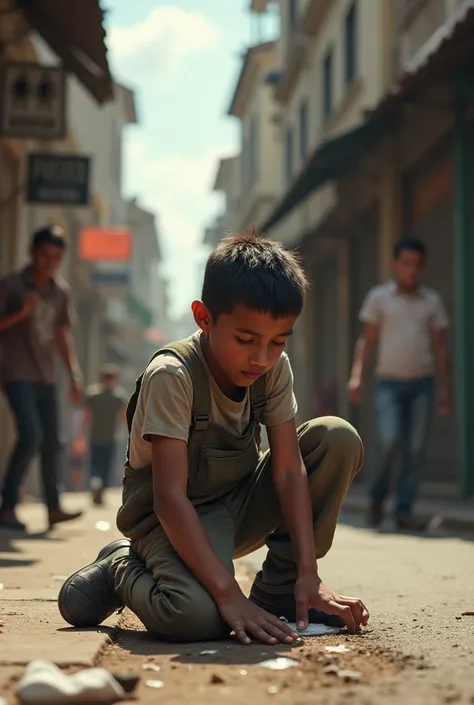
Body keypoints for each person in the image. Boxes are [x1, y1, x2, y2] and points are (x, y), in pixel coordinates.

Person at [58, 230, 369, 645]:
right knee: (195, 619)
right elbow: (169, 498)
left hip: (237, 504)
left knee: (336, 437)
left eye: (277, 341)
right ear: (204, 317)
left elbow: (290, 469)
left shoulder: (273, 368)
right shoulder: (173, 376)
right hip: (168, 518)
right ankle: (121, 566)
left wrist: (309, 574)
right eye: (246, 340)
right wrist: (228, 594)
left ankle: (281, 589)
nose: (262, 357)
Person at [348, 237, 451, 532]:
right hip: (389, 386)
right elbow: (366, 341)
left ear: (424, 267)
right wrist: (357, 375)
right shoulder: (380, 298)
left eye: (417, 265)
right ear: (395, 264)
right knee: (389, 442)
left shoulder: (432, 302)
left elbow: (441, 348)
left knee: (416, 448)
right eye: (406, 264)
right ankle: (377, 499)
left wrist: (444, 389)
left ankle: (404, 510)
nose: (412, 270)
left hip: (423, 385)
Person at [0, 225, 83, 531]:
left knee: (53, 442)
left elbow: (63, 335)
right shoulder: (11, 285)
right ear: (32, 253)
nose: (49, 263)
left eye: (56, 258)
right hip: (15, 371)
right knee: (31, 434)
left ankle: (53, 507)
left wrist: (74, 375)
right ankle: (7, 504)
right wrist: (20, 313)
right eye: (44, 256)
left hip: (46, 376)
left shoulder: (60, 292)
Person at [75, 364, 127, 506]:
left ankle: (95, 483)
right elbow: (124, 418)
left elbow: (86, 417)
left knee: (96, 464)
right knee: (104, 465)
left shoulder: (93, 394)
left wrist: (80, 435)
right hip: (107, 438)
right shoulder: (118, 396)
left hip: (98, 437)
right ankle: (99, 487)